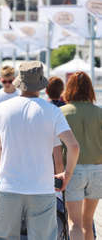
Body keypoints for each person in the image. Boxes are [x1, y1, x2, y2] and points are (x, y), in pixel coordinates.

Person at [0, 61, 80, 240]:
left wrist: (1, 168)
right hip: (42, 188)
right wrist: (66, 174)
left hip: (9, 186)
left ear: (19, 82)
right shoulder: (52, 111)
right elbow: (73, 146)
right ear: (40, 84)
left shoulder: (2, 109)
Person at [58, 72, 102, 240]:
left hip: (72, 170)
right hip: (97, 169)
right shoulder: (99, 112)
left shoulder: (62, 112)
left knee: (74, 223)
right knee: (88, 222)